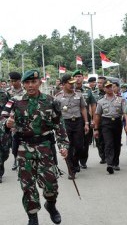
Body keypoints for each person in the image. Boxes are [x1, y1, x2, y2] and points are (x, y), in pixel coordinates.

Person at [5, 69, 69, 225]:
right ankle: (32, 217)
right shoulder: (14, 101)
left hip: (45, 146)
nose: (30, 85)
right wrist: (7, 124)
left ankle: (51, 205)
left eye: (33, 82)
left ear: (40, 82)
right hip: (23, 147)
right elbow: (3, 117)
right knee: (27, 185)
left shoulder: (50, 101)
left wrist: (63, 145)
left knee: (51, 184)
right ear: (23, 84)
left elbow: (59, 125)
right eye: (27, 82)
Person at [54, 74, 89, 179]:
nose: (72, 85)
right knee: (67, 147)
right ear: (63, 84)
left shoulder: (79, 94)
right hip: (65, 123)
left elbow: (83, 108)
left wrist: (86, 122)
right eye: (70, 84)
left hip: (78, 122)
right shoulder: (58, 97)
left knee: (79, 146)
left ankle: (75, 162)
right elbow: (55, 113)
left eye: (73, 83)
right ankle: (71, 170)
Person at [93, 80, 124, 174]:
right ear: (104, 89)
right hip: (106, 123)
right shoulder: (101, 101)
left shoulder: (120, 99)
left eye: (111, 86)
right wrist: (96, 129)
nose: (110, 88)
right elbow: (97, 115)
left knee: (116, 143)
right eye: (107, 87)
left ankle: (115, 163)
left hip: (117, 122)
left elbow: (125, 113)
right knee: (108, 143)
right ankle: (109, 164)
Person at [72, 70, 96, 170]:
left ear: (83, 78)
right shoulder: (69, 89)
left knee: (85, 141)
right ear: (73, 78)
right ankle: (74, 161)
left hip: (85, 118)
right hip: (72, 119)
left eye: (80, 76)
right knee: (74, 141)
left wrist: (93, 119)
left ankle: (83, 161)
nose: (78, 78)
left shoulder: (87, 90)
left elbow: (93, 104)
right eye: (76, 76)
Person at [6, 71, 25, 171]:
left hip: (24, 120)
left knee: (24, 140)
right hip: (12, 121)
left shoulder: (25, 91)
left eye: (14, 81)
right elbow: (6, 107)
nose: (12, 83)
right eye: (11, 81)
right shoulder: (8, 92)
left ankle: (23, 159)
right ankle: (15, 159)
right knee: (14, 142)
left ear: (19, 81)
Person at [94, 76, 107, 164]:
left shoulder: (109, 93)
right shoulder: (94, 94)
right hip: (97, 119)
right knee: (99, 139)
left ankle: (108, 155)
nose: (99, 84)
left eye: (100, 83)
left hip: (107, 119)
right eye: (98, 83)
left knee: (108, 139)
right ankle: (102, 156)